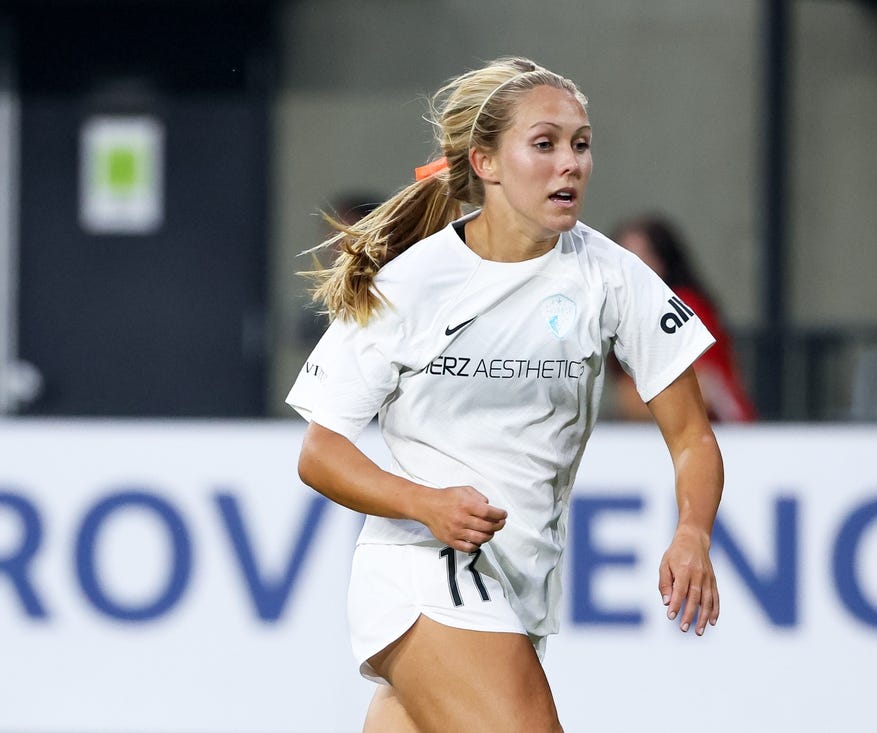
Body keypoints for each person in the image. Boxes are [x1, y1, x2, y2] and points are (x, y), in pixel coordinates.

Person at [286, 57, 724, 733]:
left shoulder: (611, 277)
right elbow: (319, 451)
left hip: (518, 583)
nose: (570, 163)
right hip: (427, 569)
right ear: (486, 162)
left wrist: (693, 529)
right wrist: (425, 503)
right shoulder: (412, 282)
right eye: (544, 144)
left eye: (580, 144)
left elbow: (693, 436)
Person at [609, 214, 756, 423]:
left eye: (643, 257)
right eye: (624, 259)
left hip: (721, 432)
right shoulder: (621, 314)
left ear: (663, 261)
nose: (632, 269)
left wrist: (631, 399)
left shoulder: (682, 306)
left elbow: (700, 391)